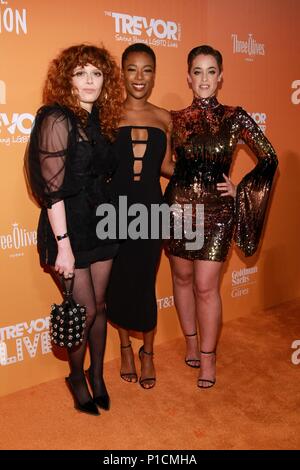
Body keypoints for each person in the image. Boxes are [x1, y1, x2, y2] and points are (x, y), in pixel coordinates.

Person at [164, 45, 278, 388]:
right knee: (182, 280)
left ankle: (209, 358)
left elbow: (269, 157)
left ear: (221, 76)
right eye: (197, 72)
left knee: (204, 285)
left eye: (210, 71)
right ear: (188, 76)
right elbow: (167, 164)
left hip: (216, 213)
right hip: (178, 209)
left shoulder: (236, 116)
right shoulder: (175, 119)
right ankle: (192, 343)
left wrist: (241, 187)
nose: (204, 79)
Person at [25, 44, 123, 414]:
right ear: (67, 78)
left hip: (103, 225)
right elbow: (51, 191)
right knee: (82, 312)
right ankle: (77, 377)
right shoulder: (56, 118)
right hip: (69, 229)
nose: (89, 81)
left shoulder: (101, 119)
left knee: (98, 305)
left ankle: (98, 376)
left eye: (96, 74)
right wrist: (63, 246)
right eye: (81, 73)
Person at [106, 43, 173, 389]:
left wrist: (203, 169)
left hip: (151, 212)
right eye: (132, 69)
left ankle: (147, 353)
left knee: (145, 283)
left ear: (154, 75)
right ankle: (125, 348)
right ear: (122, 73)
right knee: (117, 281)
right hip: (113, 213)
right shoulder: (107, 114)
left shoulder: (165, 117)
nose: (139, 77)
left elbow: (165, 167)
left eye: (147, 70)